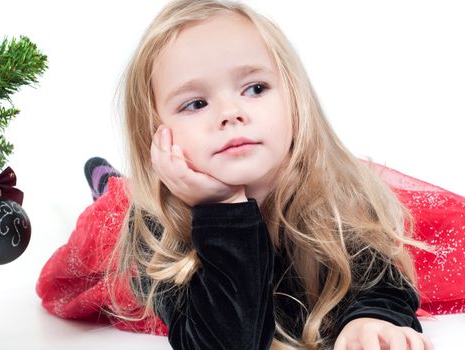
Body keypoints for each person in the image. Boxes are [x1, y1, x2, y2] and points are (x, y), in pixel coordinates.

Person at [36, 0, 458, 348]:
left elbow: (380, 281)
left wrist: (369, 317)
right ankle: (107, 182)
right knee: (111, 210)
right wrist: (221, 209)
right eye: (195, 103)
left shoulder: (340, 194)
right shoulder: (154, 229)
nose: (230, 114)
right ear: (157, 135)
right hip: (155, 217)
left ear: (293, 99)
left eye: (255, 89)